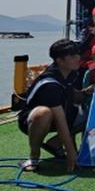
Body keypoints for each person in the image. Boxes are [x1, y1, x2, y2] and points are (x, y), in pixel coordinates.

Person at [18, 39, 89, 172]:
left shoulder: (71, 72)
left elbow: (72, 94)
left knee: (91, 112)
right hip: (34, 120)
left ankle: (55, 143)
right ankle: (34, 156)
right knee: (44, 113)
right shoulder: (50, 85)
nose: (78, 58)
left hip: (60, 114)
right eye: (72, 56)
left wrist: (87, 92)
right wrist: (71, 151)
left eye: (77, 54)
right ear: (60, 61)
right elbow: (60, 119)